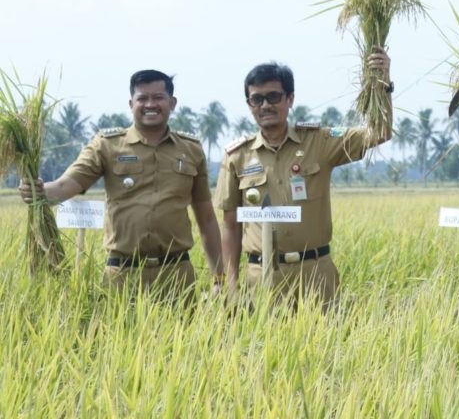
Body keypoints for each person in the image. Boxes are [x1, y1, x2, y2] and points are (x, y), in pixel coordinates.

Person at [19, 70, 224, 298]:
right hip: (122, 275)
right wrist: (38, 191)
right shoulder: (107, 145)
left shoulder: (191, 149)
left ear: (172, 102)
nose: (150, 104)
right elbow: (65, 186)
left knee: (183, 334)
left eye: (158, 97)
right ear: (131, 103)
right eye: (142, 98)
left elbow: (206, 218)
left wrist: (219, 278)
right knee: (119, 332)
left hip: (177, 275)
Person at [214, 49, 392, 307]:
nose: (265, 105)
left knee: (326, 346)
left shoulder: (319, 142)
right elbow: (230, 226)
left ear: (290, 98)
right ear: (249, 105)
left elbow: (379, 132)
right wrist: (229, 283)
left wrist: (382, 82)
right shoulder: (237, 156)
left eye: (274, 97)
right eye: (257, 99)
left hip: (316, 275)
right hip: (262, 279)